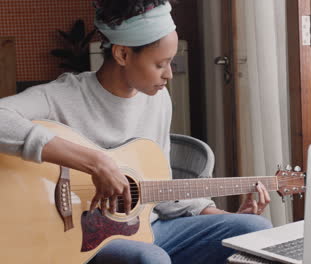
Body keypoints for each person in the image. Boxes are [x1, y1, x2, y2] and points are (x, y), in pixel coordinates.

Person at [0, 0, 272, 263]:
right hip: (84, 240)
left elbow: (163, 193)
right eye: (160, 64)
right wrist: (94, 162)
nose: (169, 75)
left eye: (171, 62)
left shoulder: (159, 99)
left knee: (252, 228)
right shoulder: (63, 96)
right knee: (150, 257)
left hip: (148, 228)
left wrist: (223, 216)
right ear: (122, 54)